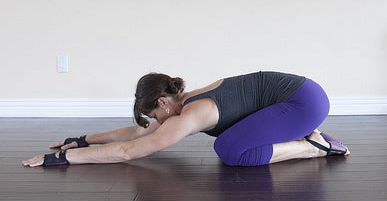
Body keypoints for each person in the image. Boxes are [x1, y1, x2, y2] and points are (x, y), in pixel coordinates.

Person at [22, 71, 350, 168]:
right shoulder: (186, 100)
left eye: (155, 115)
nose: (156, 122)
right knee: (234, 142)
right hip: (303, 94)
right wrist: (84, 139)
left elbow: (128, 151)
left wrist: (63, 158)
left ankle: (313, 146)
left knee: (232, 151)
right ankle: (309, 133)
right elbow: (139, 132)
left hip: (303, 103)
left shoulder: (193, 113)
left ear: (163, 102)